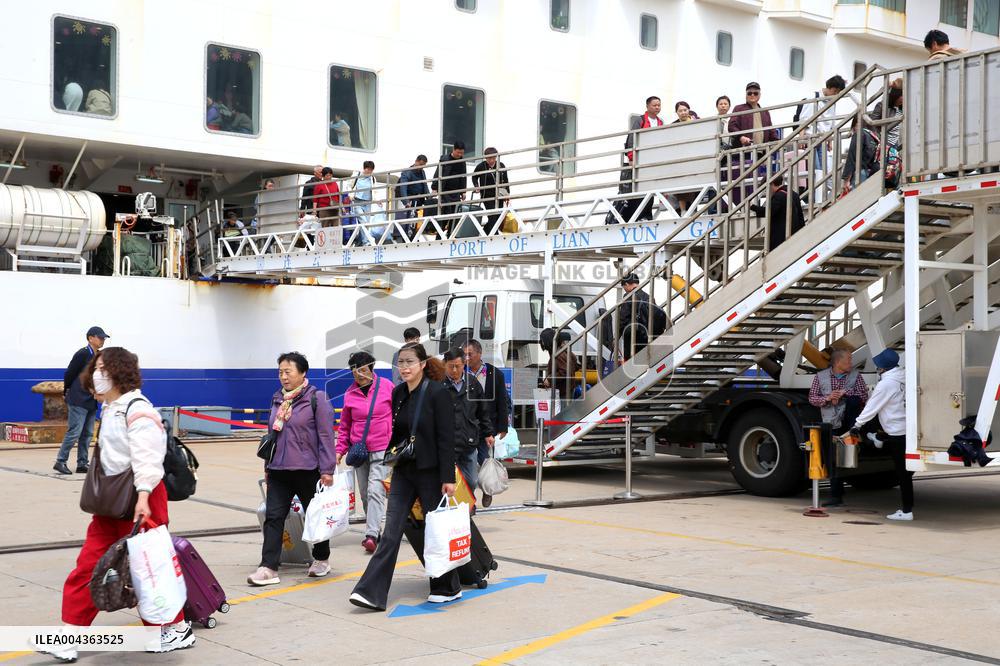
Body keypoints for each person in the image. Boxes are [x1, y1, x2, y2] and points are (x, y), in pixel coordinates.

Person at [36, 347, 196, 661]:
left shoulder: (139, 409)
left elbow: (149, 459)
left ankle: (171, 629)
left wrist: (144, 497)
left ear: (119, 373)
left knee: (147, 571)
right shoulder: (111, 409)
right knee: (88, 568)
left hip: (141, 502)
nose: (97, 374)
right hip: (112, 505)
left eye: (103, 369)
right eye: (96, 368)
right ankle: (70, 634)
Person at [349, 343, 460, 612]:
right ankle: (371, 593)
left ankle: (447, 587)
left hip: (432, 472)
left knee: (434, 532)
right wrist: (390, 461)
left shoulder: (438, 393)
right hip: (404, 471)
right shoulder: (399, 394)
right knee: (391, 532)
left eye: (410, 362)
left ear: (422, 364)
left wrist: (448, 476)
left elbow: (447, 438)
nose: (404, 367)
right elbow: (397, 434)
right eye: (401, 363)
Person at [249, 352, 338, 585]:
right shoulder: (278, 398)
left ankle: (321, 559)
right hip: (279, 468)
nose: (283, 377)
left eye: (288, 371)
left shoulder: (317, 398)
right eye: (280, 372)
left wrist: (327, 469)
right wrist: (267, 466)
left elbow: (326, 436)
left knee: (314, 516)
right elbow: (272, 435)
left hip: (308, 469)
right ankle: (268, 567)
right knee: (273, 517)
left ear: (303, 372)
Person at [337, 351, 393, 554]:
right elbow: (345, 426)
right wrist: (339, 450)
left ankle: (370, 535)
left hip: (382, 449)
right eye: (354, 371)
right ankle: (375, 530)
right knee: (364, 494)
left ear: (371, 369)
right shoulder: (350, 394)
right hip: (359, 451)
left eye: (362, 370)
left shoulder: (387, 387)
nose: (358, 374)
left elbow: (398, 416)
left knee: (375, 490)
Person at [850, 349, 910, 521]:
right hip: (905, 427)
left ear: (883, 368)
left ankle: (907, 511)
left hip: (896, 429)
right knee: (905, 470)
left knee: (903, 473)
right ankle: (879, 438)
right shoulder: (903, 377)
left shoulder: (886, 384)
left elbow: (872, 407)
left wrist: (856, 425)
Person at [807, 349, 869, 506]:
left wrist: (845, 394)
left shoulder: (856, 376)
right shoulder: (820, 377)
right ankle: (836, 495)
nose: (851, 363)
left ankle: (854, 434)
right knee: (833, 458)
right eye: (848, 360)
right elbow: (812, 398)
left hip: (849, 424)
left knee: (845, 457)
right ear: (837, 362)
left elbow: (864, 396)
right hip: (831, 422)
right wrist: (828, 398)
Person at [54, 326, 108, 475]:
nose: (102, 340)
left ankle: (82, 463)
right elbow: (69, 373)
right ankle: (60, 461)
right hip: (78, 398)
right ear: (91, 338)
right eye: (100, 337)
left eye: (104, 338)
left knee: (88, 433)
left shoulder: (99, 355)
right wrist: (67, 390)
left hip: (91, 399)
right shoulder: (83, 353)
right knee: (74, 431)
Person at [463, 339, 509, 507]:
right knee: (468, 467)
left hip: (486, 428)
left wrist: (503, 427)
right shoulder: (462, 373)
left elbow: (502, 402)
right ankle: (469, 501)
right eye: (465, 355)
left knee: (485, 462)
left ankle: (487, 491)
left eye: (470, 354)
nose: (467, 358)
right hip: (467, 428)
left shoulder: (495, 374)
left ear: (479, 354)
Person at [442, 348, 494, 493]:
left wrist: (488, 433)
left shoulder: (472, 383)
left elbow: (483, 410)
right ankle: (463, 510)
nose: (454, 370)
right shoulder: (439, 385)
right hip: (447, 442)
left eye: (457, 366)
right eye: (450, 366)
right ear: (444, 365)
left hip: (468, 439)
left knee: (471, 480)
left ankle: (468, 505)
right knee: (450, 481)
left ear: (464, 364)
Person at [728, 82, 779, 204]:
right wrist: (741, 136)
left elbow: (770, 130)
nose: (752, 95)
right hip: (745, 152)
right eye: (749, 93)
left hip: (761, 152)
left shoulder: (764, 112)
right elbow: (732, 125)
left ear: (759, 95)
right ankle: (745, 204)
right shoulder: (739, 108)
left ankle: (758, 203)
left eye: (755, 93)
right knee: (746, 181)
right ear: (745, 94)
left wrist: (777, 141)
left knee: (759, 179)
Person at [750, 178, 806, 250]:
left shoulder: (779, 196)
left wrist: (752, 207)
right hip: (794, 233)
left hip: (781, 237)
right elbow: (800, 216)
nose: (766, 191)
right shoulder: (793, 194)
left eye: (766, 187)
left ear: (772, 184)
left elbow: (768, 211)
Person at [472, 147, 510, 233]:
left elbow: (506, 180)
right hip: (487, 196)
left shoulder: (501, 165)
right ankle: (494, 236)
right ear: (485, 158)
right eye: (489, 158)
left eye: (493, 158)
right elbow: (474, 177)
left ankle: (484, 232)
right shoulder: (481, 166)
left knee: (498, 216)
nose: (491, 160)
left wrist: (507, 194)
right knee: (492, 216)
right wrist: (476, 186)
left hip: (499, 195)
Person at [433, 141, 468, 232]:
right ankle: (439, 236)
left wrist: (463, 191)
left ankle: (450, 234)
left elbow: (463, 176)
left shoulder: (462, 161)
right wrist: (434, 187)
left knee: (455, 213)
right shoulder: (444, 159)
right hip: (445, 190)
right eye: (458, 152)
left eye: (462, 153)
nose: (460, 154)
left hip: (456, 191)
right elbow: (438, 173)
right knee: (445, 212)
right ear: (453, 149)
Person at [841, 117, 880, 194]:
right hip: (870, 173)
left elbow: (851, 157)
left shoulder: (859, 134)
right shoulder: (875, 137)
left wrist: (846, 179)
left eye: (853, 128)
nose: (853, 131)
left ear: (857, 124)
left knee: (855, 200)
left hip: (859, 174)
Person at [397, 155, 430, 226]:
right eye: (421, 165)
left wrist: (429, 198)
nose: (421, 167)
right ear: (416, 161)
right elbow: (403, 188)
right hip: (410, 199)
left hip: (419, 199)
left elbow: (425, 185)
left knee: (432, 203)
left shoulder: (422, 172)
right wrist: (406, 202)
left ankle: (427, 226)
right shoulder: (407, 172)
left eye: (423, 165)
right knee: (409, 220)